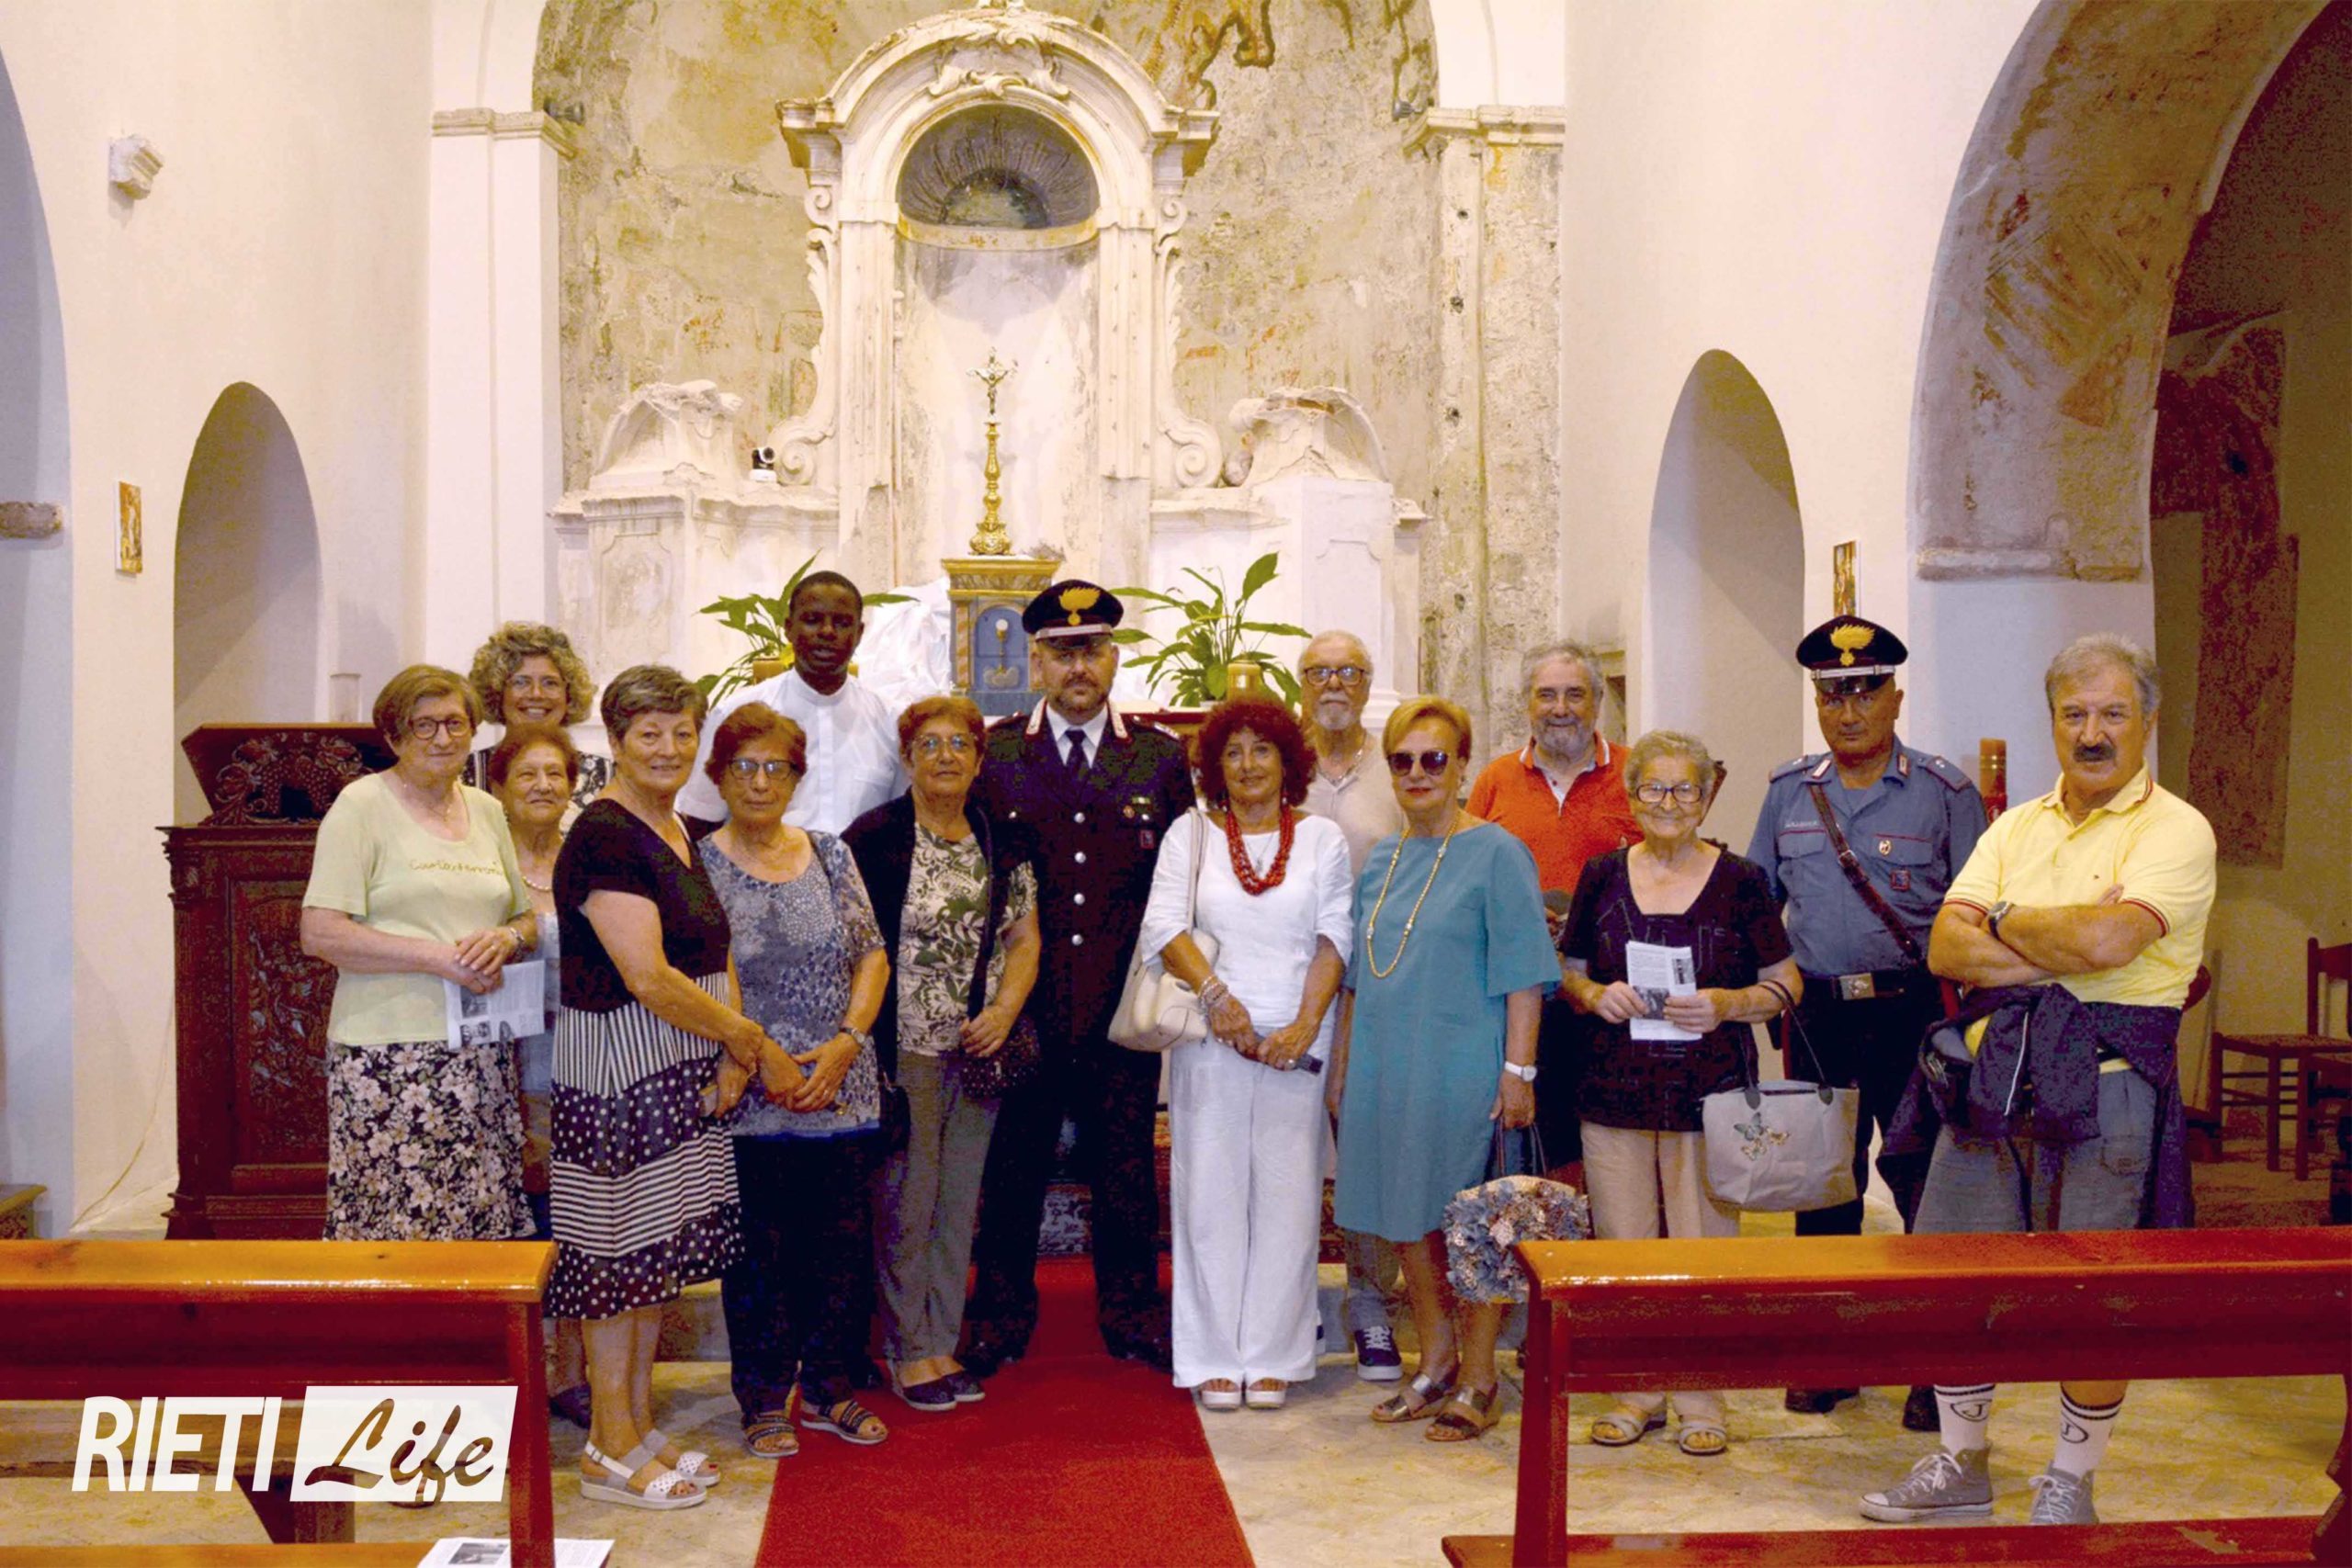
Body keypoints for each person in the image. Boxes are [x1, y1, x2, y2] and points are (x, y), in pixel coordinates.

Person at [1860, 634, 2214, 1529]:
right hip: (1993, 1077)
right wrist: (2059, 944)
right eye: (2074, 714)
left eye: (2112, 713)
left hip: (2108, 1085)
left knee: (2095, 1295)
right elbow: (1947, 945)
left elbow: (2112, 938)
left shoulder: (2176, 829)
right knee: (1952, 1275)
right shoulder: (2014, 826)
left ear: (2146, 720)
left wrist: (2007, 921)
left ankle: (2070, 1479)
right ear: (2052, 721)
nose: (2092, 732)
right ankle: (1961, 1460)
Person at [549, 663, 790, 1510]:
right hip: (620, 1070)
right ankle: (608, 1447)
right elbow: (647, 975)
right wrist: (744, 1038)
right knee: (617, 1262)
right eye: (648, 732)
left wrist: (730, 1050)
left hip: (683, 1062)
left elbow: (713, 950)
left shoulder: (679, 825)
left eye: (682, 731)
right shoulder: (605, 833)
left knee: (654, 1261)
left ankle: (640, 1426)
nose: (668, 747)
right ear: (614, 741)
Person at [1746, 615, 1983, 1426]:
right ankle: (1829, 1357)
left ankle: (1934, 1369)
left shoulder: (1944, 793)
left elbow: (1979, 909)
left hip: (1914, 1012)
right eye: (1833, 696)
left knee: (1923, 1184)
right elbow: (1758, 906)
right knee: (1822, 1189)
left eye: (1865, 692)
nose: (1848, 712)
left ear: (1895, 699)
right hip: (1818, 1017)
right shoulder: (1789, 790)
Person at [962, 580, 1197, 1376]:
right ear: (1036, 662)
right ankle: (999, 1316)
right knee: (1013, 1166)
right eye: (1062, 653)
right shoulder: (997, 755)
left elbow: (1179, 882)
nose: (1078, 667)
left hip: (1121, 1005)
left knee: (1125, 1167)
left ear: (1114, 658)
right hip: (1025, 1007)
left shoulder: (1159, 758)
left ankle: (1132, 1313)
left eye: (1091, 649)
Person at [1557, 729, 1801, 1459]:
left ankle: (1701, 1395)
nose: (1669, 802)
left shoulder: (1743, 880)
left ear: (1707, 796)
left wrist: (1728, 1003)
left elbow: (1786, 983)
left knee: (1702, 1251)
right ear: (1632, 798)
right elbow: (1568, 970)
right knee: (1625, 1250)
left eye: (1685, 788)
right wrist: (1594, 994)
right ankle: (1636, 1391)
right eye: (1654, 788)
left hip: (1708, 1096)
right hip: (1614, 1091)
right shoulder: (1602, 875)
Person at [1329, 696, 1557, 1444]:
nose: (1418, 772)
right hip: (1385, 1066)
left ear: (1462, 765)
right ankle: (1435, 1360)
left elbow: (1525, 973)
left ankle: (1481, 1377)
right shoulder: (1383, 859)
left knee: (1472, 1224)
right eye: (1403, 760)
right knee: (1406, 1217)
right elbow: (1358, 978)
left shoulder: (1497, 851)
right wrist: (1344, 1067)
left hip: (1464, 1066)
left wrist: (1519, 1069)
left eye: (1434, 758)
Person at [1141, 694, 1352, 1411]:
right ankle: (1211, 1353)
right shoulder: (1191, 833)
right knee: (1209, 1191)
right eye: (1232, 752)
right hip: (1211, 1035)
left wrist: (1306, 1021)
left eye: (1262, 749)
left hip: (1298, 1037)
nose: (1248, 764)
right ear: (1214, 766)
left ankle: (1275, 1354)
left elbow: (1335, 935)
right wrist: (1217, 1000)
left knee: (1289, 1194)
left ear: (1288, 761)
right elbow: (1164, 925)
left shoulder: (1321, 838)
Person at [699, 702, 894, 1453]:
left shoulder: (830, 853)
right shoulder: (698, 863)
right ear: (718, 776)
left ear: (796, 778)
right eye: (744, 767)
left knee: (842, 1248)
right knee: (760, 1253)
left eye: (776, 768)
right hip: (749, 1092)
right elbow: (702, 970)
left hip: (841, 1087)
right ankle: (762, 1396)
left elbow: (871, 954)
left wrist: (847, 1043)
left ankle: (830, 1388)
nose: (760, 782)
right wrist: (761, 1055)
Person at [843, 696, 1041, 1413]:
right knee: (908, 1199)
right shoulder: (874, 838)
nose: (946, 756)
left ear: (980, 759)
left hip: (977, 1048)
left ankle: (941, 1341)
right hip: (903, 1051)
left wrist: (1004, 1012)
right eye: (929, 744)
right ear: (907, 758)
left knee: (958, 1202)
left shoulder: (1000, 837)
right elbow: (854, 944)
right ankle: (905, 1348)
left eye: (960, 743)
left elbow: (1025, 938)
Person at [300, 665, 539, 1243]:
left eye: (454, 723)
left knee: (478, 1222)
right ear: (394, 736)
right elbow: (320, 932)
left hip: (480, 1049)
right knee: (398, 1233)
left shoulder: (486, 809)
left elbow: (525, 916)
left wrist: (508, 939)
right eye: (422, 725)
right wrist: (437, 958)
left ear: (473, 730)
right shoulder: (361, 806)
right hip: (389, 1058)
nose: (441, 737)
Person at [1466, 641, 1641, 1177]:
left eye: (1574, 694)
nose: (1560, 708)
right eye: (1546, 695)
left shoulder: (1636, 776)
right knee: (1530, 1152)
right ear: (1527, 703)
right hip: (1521, 1002)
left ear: (1598, 703)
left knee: (1611, 1158)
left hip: (1613, 1000)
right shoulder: (1495, 781)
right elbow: (1465, 879)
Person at [1296, 631, 1408, 1382]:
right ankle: (1294, 1299)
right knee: (1289, 1147)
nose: (1334, 683)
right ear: (1300, 683)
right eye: (1319, 672)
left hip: (1376, 987)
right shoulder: (1277, 763)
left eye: (1348, 671)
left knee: (1367, 1149)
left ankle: (1371, 1303)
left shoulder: (1398, 769)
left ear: (1368, 684)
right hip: (1289, 986)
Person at [486, 722, 592, 1424]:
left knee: (573, 1223)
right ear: (497, 785)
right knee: (515, 1224)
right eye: (527, 773)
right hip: (496, 1070)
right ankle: (516, 1370)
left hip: (580, 1066)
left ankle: (572, 1371)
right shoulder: (480, 864)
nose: (543, 786)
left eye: (556, 773)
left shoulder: (587, 860)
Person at [678, 570, 906, 834]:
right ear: (788, 628)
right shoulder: (734, 715)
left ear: (859, 633)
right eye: (812, 620)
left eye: (842, 623)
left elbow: (903, 820)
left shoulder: (891, 720)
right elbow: (702, 820)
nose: (827, 632)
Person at [464, 621, 613, 810]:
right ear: (497, 693)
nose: (536, 694)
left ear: (569, 694)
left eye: (550, 683)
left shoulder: (605, 776)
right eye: (521, 682)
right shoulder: (466, 773)